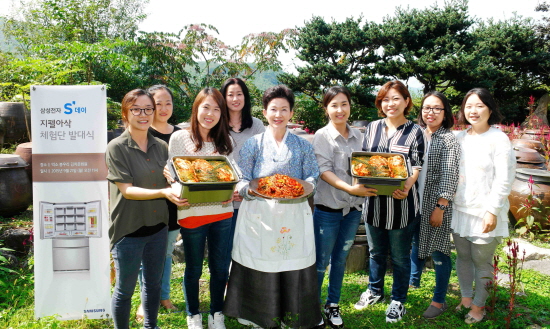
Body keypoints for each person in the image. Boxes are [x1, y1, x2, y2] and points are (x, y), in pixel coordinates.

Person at [223, 85, 324, 329]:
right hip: (260, 213)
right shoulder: (253, 144)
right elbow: (242, 178)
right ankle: (257, 314)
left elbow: (312, 175)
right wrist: (250, 189)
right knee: (260, 259)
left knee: (292, 258)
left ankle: (294, 312)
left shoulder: (302, 145)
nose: (278, 114)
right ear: (265, 111)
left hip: (293, 213)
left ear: (291, 113)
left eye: (284, 109)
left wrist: (306, 186)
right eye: (273, 109)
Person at [106, 89, 187, 329]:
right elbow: (127, 190)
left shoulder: (161, 146)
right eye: (137, 109)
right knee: (125, 290)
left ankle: (151, 326)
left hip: (157, 227)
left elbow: (172, 180)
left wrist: (179, 184)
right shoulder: (116, 147)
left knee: (152, 285)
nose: (144, 114)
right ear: (125, 112)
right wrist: (164, 192)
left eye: (148, 109)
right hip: (128, 230)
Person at [354, 80, 425, 323]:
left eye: (396, 98)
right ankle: (374, 291)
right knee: (375, 252)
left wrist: (406, 186)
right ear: (380, 104)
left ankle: (398, 300)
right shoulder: (372, 127)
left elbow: (416, 165)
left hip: (401, 204)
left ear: (406, 101)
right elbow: (364, 161)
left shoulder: (415, 132)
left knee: (400, 256)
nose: (390, 104)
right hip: (374, 203)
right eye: (385, 99)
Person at [168, 87, 234, 329]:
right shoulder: (179, 138)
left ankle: (217, 313)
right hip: (192, 213)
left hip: (222, 212)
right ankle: (193, 314)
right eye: (206, 107)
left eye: (217, 109)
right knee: (193, 267)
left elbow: (231, 175)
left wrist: (234, 188)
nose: (211, 113)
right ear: (196, 109)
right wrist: (174, 186)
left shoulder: (226, 140)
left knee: (219, 266)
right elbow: (173, 174)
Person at [312, 86, 377, 328]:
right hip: (328, 211)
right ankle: (313, 306)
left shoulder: (360, 137)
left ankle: (333, 305)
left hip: (353, 211)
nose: (340, 110)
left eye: (344, 104)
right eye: (334, 105)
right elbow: (324, 170)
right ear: (326, 109)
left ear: (350, 106)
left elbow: (366, 168)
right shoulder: (322, 136)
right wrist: (350, 189)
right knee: (320, 262)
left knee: (340, 260)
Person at [451, 88, 515, 324]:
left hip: (485, 211)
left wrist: (492, 210)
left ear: (489, 108)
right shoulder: (458, 138)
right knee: (463, 257)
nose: (473, 111)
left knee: (481, 260)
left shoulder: (498, 138)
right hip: (460, 209)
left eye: (479, 105)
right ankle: (466, 298)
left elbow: (504, 178)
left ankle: (479, 306)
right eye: (469, 106)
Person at [408, 91, 460, 319]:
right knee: (415, 244)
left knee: (439, 251)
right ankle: (413, 281)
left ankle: (439, 300)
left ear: (445, 112)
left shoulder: (449, 139)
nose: (431, 112)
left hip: (437, 203)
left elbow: (450, 174)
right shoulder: (417, 134)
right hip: (414, 200)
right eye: (427, 108)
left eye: (437, 108)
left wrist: (441, 207)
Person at [135, 85, 182, 321]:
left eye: (168, 103)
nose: (163, 109)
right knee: (147, 257)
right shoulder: (141, 132)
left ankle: (164, 297)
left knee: (165, 254)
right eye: (158, 104)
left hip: (173, 204)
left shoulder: (181, 133)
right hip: (147, 202)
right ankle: (146, 303)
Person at [219, 78, 265, 270]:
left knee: (249, 248)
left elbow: (263, 160)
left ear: (245, 97)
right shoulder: (216, 124)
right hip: (223, 199)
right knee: (225, 249)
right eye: (230, 95)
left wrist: (248, 188)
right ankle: (226, 291)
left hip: (250, 198)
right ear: (223, 98)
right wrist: (228, 190)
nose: (235, 99)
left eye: (239, 94)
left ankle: (243, 291)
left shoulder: (256, 125)